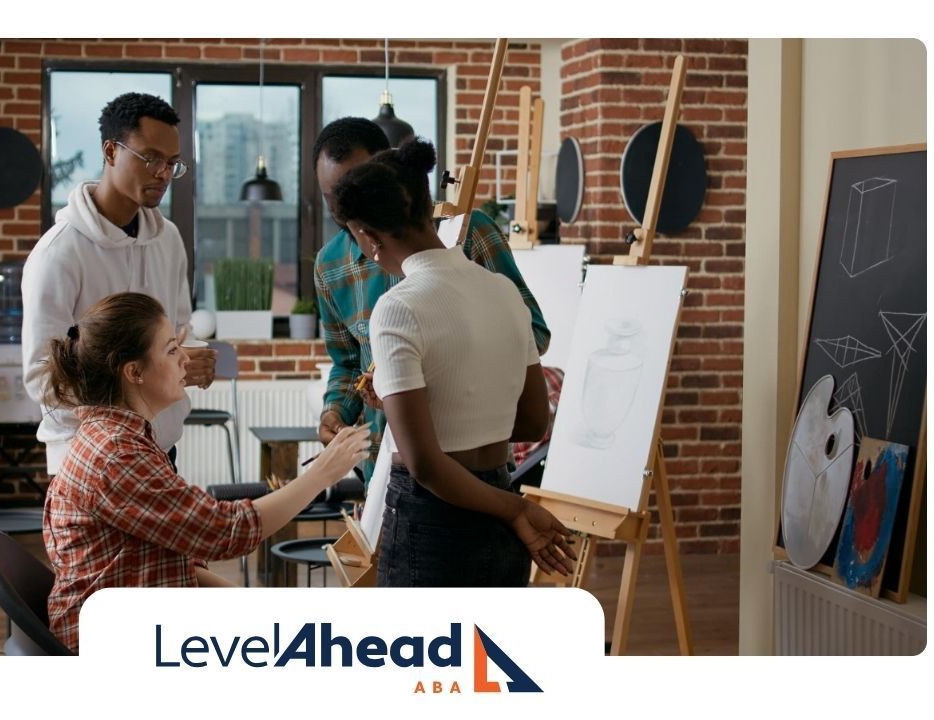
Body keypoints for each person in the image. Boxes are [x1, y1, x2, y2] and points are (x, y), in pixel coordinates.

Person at [42, 292, 370, 652]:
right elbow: (226, 531)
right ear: (134, 372)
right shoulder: (116, 454)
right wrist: (322, 473)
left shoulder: (121, 437)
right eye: (171, 350)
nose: (186, 359)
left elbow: (174, 554)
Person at [331, 139, 576, 586]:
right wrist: (510, 504)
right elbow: (531, 422)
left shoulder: (397, 307)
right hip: (501, 514)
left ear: (367, 237)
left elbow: (426, 464)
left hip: (435, 526)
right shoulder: (503, 292)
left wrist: (518, 509)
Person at [312, 117, 550, 484]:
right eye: (333, 200)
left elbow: (532, 332)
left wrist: (432, 367)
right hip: (385, 474)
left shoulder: (470, 231)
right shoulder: (330, 266)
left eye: (357, 190)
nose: (347, 211)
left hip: (471, 469)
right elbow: (345, 363)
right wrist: (335, 412)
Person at [22, 92, 216, 476]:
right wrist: (136, 383)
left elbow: (179, 333)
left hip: (159, 450)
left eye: (172, 163)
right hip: (88, 457)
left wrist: (191, 360)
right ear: (111, 152)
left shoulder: (169, 240)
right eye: (151, 158)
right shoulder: (59, 253)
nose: (163, 173)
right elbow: (41, 377)